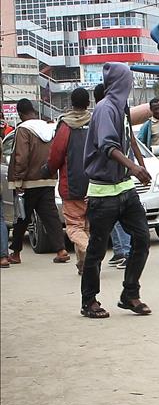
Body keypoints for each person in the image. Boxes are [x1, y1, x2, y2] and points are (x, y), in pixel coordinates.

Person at [81, 63, 153, 319]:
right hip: (102, 192)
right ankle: (89, 301)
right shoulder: (104, 109)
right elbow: (107, 147)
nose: (130, 84)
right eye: (128, 79)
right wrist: (133, 167)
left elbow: (128, 139)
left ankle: (129, 294)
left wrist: (141, 163)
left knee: (142, 239)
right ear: (119, 82)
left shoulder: (122, 108)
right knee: (97, 250)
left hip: (125, 189)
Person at [8, 98, 69, 265]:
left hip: (28, 181)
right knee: (50, 217)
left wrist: (18, 179)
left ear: (20, 114)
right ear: (34, 111)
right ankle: (61, 249)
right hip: (48, 179)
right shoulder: (48, 128)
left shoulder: (23, 130)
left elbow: (21, 156)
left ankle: (16, 253)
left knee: (22, 217)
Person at [45, 87, 91, 274]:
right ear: (88, 103)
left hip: (71, 185)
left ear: (71, 104)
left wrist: (47, 170)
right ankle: (83, 265)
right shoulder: (95, 122)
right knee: (87, 225)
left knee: (74, 225)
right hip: (96, 183)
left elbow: (56, 155)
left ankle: (90, 251)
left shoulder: (65, 126)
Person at [94, 82, 132, 268]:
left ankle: (124, 251)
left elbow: (122, 141)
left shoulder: (117, 110)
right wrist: (135, 166)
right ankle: (122, 251)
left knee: (117, 220)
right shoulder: (108, 111)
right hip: (113, 178)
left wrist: (135, 166)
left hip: (115, 179)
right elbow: (112, 145)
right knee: (115, 220)